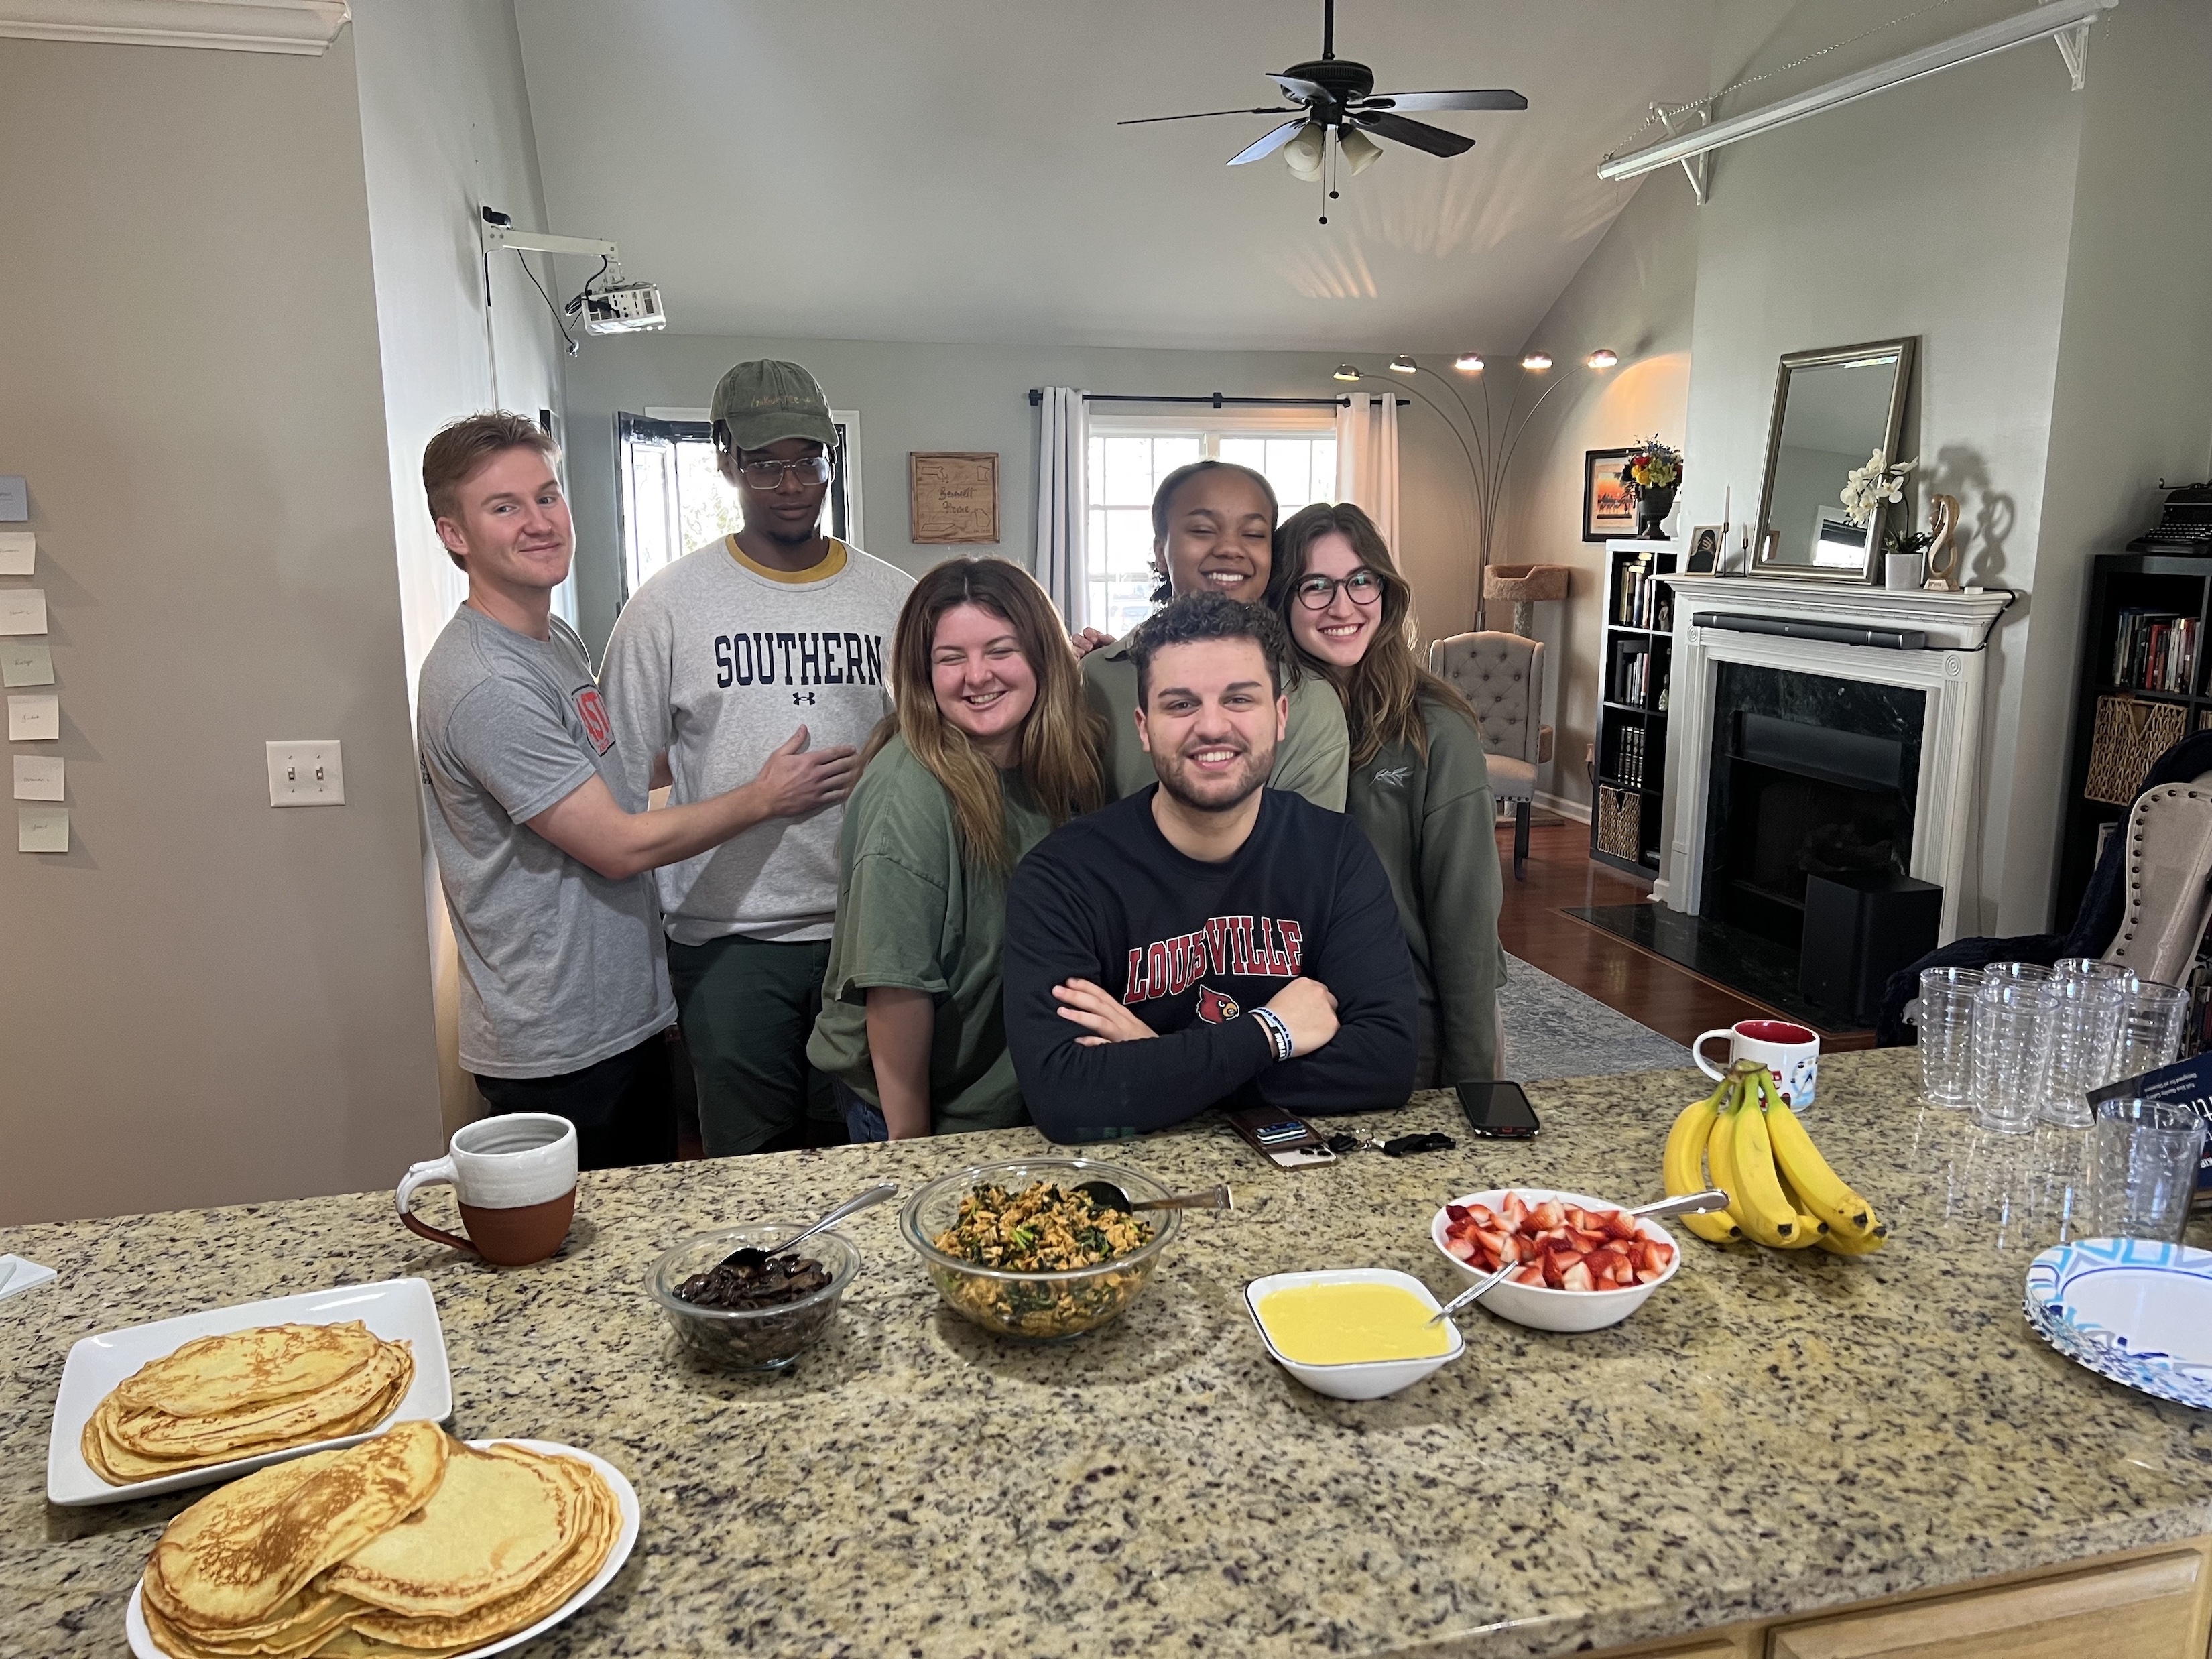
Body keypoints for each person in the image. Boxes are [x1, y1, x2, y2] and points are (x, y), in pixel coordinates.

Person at [415, 412, 789, 1168]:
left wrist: (716, 735)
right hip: (558, 1046)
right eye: (504, 507)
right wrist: (762, 797)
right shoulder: (485, 683)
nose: (539, 522)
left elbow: (605, 778)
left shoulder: (552, 642)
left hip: (618, 1020)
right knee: (572, 1271)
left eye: (547, 497)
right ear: (454, 534)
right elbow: (615, 845)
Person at [599, 361, 912, 1156]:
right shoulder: (665, 607)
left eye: (808, 460)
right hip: (729, 941)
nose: (789, 483)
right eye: (764, 463)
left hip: (867, 931)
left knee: (862, 1150)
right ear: (725, 461)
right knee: (748, 1168)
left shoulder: (895, 600)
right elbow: (615, 793)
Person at [1002, 591, 1417, 1142]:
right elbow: (1065, 1097)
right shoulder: (1063, 877)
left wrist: (1153, 1061)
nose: (1212, 726)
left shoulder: (1335, 852)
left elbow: (1385, 1063)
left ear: (1279, 717)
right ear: (1145, 727)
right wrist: (1269, 1033)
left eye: (1240, 699)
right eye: (1180, 705)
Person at [807, 559, 1104, 1140]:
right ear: (923, 672)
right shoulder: (909, 796)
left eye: (1000, 650)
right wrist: (913, 1151)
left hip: (1016, 1094)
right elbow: (895, 996)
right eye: (951, 658)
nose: (977, 676)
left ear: (1044, 654)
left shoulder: (1062, 756)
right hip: (920, 1110)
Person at [1268, 503, 1503, 1087]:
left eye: (1360, 581)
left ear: (1386, 591)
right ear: (1281, 599)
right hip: (1281, 1017)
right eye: (1315, 585)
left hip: (1405, 1020)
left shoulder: (1436, 729)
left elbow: (1466, 920)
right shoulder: (1259, 721)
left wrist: (1474, 1080)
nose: (1343, 606)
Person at [1080, 460, 1349, 809]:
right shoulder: (1096, 678)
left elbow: (1307, 848)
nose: (1229, 549)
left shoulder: (1309, 701)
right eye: (1203, 530)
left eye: (1253, 535)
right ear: (1161, 552)